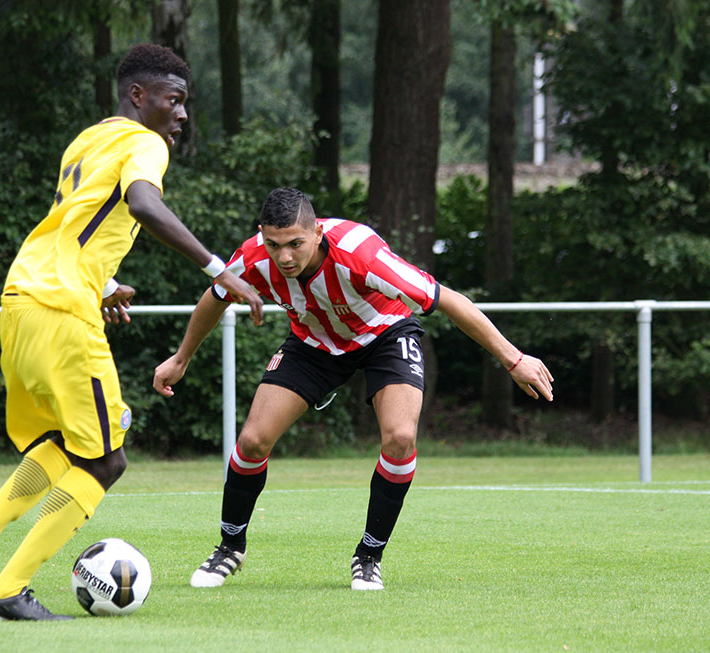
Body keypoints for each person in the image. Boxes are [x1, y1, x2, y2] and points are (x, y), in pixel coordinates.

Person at [0, 43, 263, 621]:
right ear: (139, 96)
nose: (182, 114)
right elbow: (141, 204)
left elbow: (75, 225)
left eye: (185, 102)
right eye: (174, 99)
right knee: (105, 462)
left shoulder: (88, 140)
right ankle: (9, 590)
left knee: (63, 446)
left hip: (21, 302)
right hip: (63, 313)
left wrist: (105, 281)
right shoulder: (145, 142)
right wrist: (220, 270)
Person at [152, 187, 554, 591]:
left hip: (385, 335)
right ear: (262, 235)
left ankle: (369, 555)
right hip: (313, 346)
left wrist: (514, 360)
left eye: (296, 244)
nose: (285, 257)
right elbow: (215, 297)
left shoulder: (362, 255)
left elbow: (447, 300)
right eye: (275, 245)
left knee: (399, 438)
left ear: (317, 233)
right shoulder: (255, 257)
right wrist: (181, 358)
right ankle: (229, 546)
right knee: (253, 441)